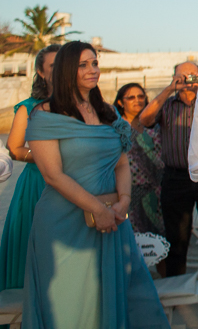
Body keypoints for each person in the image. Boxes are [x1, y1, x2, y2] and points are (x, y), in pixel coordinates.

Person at [24, 41, 169, 328]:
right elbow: (52, 175)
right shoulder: (45, 115)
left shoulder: (108, 113)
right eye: (83, 65)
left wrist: (123, 201)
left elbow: (122, 163)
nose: (93, 70)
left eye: (94, 63)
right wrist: (98, 209)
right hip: (64, 223)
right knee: (71, 305)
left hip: (113, 218)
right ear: (67, 69)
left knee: (123, 296)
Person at [138, 60, 198, 277]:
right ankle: (176, 285)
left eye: (192, 75)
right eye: (183, 76)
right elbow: (144, 119)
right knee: (176, 239)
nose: (188, 81)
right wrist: (169, 89)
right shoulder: (167, 104)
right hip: (176, 177)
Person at [0, 44, 59, 296]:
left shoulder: (84, 105)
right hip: (38, 184)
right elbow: (14, 148)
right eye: (53, 66)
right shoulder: (29, 106)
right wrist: (49, 158)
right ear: (41, 72)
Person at [114, 83, 165, 239]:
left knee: (159, 240)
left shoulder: (154, 124)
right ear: (120, 103)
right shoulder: (116, 128)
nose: (137, 100)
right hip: (129, 193)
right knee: (133, 239)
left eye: (141, 96)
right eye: (131, 97)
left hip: (158, 193)